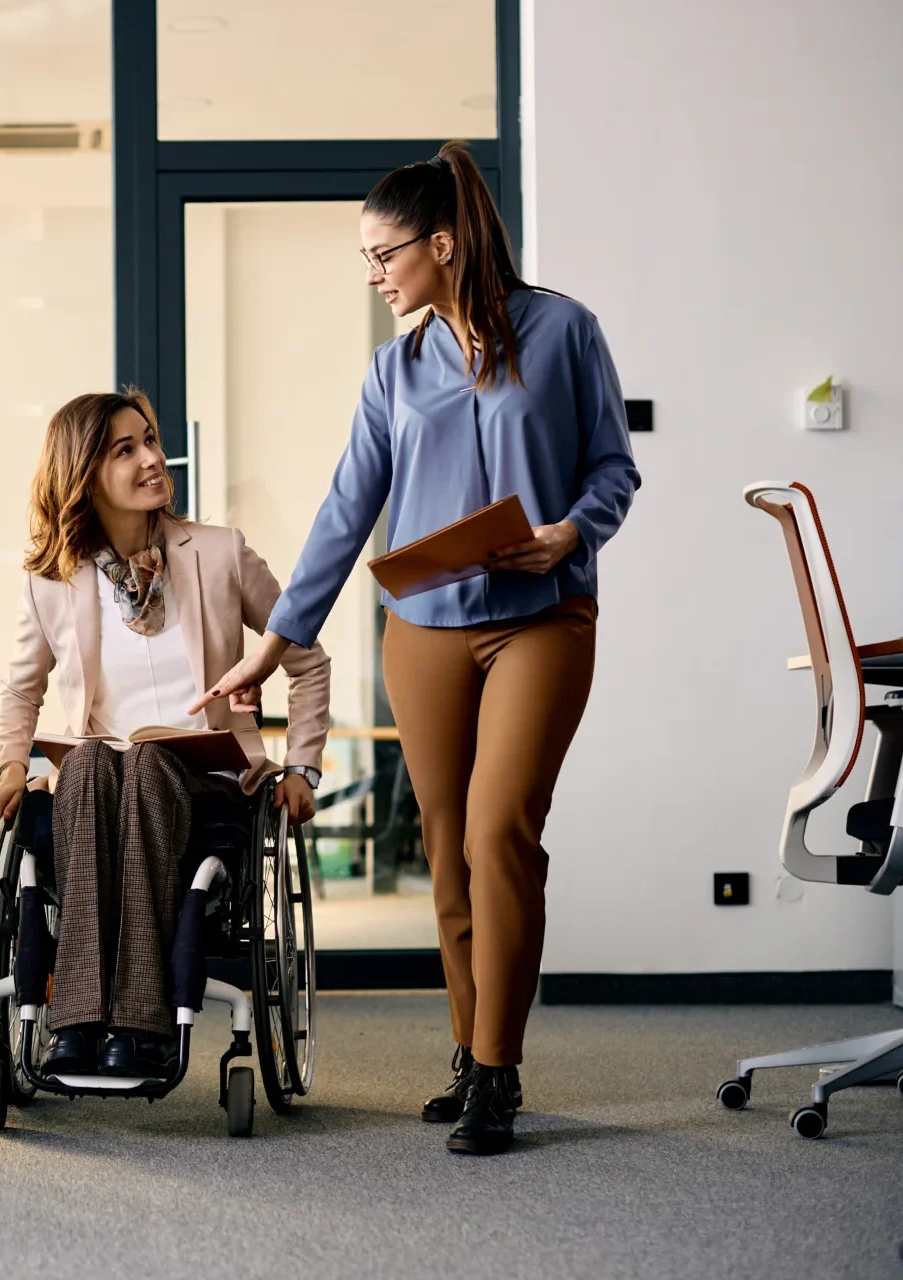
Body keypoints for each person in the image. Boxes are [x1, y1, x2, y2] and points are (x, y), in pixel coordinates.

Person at [196, 141, 641, 1155]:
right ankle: (467, 1044)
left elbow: (612, 466)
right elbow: (346, 506)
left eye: (381, 252)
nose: (372, 273)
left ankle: (497, 1068)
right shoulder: (393, 369)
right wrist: (275, 642)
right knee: (444, 847)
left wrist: (572, 530)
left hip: (541, 616)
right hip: (425, 630)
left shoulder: (564, 330)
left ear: (441, 244)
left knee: (499, 833)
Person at [0, 390, 329, 1079]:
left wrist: (302, 766)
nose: (152, 458)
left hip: (206, 779)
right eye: (126, 449)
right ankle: (79, 1021)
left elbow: (306, 657)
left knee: (146, 762)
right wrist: (12, 764)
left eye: (150, 439)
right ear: (84, 475)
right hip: (101, 782)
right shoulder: (52, 581)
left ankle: (139, 1024)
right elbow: (22, 689)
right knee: (86, 765)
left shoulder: (220, 552)